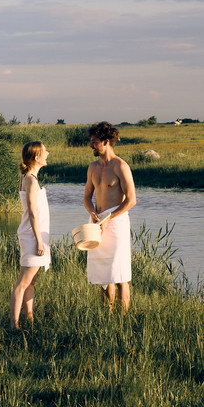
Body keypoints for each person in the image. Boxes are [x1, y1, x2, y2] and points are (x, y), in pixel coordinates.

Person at [83, 121, 136, 311]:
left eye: (94, 142)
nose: (91, 145)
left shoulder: (120, 166)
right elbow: (87, 198)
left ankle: (123, 319)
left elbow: (131, 200)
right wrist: (93, 214)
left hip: (116, 222)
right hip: (97, 223)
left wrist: (108, 218)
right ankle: (108, 315)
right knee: (103, 275)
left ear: (106, 142)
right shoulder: (92, 167)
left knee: (119, 273)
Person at [10, 141, 50, 331]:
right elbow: (33, 213)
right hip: (33, 236)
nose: (48, 154)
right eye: (45, 151)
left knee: (30, 281)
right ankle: (14, 325)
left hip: (33, 234)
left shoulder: (28, 178)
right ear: (36, 157)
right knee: (23, 282)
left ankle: (30, 319)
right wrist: (40, 240)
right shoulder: (31, 181)